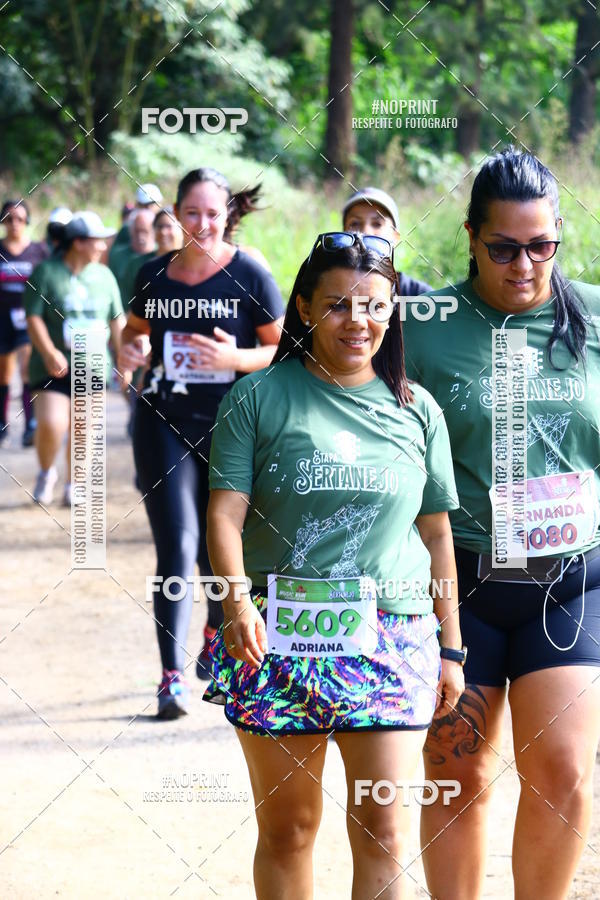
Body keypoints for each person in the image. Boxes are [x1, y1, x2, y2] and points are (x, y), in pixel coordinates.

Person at [202, 231, 464, 898]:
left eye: (375, 306)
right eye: (340, 305)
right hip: (277, 638)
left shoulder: (417, 410)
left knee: (386, 827)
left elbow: (437, 537)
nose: (360, 321)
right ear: (306, 308)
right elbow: (225, 517)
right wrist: (235, 606)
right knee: (290, 829)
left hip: (394, 639)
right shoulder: (257, 399)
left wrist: (452, 648)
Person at [402, 148, 600, 899]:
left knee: (565, 771)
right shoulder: (422, 327)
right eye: (504, 248)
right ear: (470, 236)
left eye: (542, 245)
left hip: (572, 583)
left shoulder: (594, 312)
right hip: (461, 584)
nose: (526, 264)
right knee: (457, 769)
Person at [117, 167, 284, 719]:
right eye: (192, 213)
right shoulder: (153, 275)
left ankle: (216, 627)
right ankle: (170, 676)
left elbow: (283, 350)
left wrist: (234, 360)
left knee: (219, 547)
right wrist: (132, 352)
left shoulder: (250, 276)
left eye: (214, 213)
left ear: (228, 215)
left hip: (231, 428)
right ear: (176, 215)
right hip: (163, 420)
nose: (203, 224)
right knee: (177, 545)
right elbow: (132, 332)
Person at [24, 211, 125, 505]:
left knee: (84, 428)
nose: (103, 246)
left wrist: (123, 361)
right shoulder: (45, 272)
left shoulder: (104, 276)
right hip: (52, 366)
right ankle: (46, 472)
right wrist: (48, 351)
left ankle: (74, 484)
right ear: (78, 243)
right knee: (53, 423)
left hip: (92, 364)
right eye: (97, 241)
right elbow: (34, 318)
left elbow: (116, 320)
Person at [0, 200, 49, 446]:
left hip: (28, 318)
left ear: (27, 221)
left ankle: (31, 423)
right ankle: (2, 423)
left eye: (19, 218)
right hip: (1, 318)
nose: (14, 224)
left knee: (26, 366)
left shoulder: (38, 251)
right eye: (8, 219)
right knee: (3, 372)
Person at [342, 187, 433, 296]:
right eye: (355, 223)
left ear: (395, 237)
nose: (365, 232)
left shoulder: (419, 295)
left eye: (377, 224)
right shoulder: (330, 289)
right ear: (343, 234)